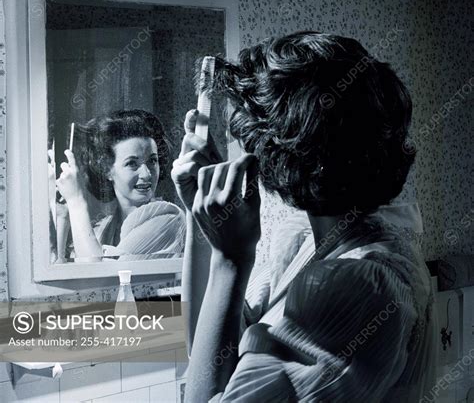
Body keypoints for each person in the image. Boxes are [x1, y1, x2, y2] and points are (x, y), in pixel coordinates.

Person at [171, 32, 437, 402]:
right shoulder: (303, 243)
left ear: (278, 151)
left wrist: (230, 258)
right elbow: (209, 350)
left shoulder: (359, 284)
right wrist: (201, 215)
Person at [53, 109, 185, 261]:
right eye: (132, 163)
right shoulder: (104, 227)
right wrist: (63, 215)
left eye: (152, 161)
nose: (147, 174)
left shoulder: (169, 220)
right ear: (106, 169)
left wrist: (76, 200)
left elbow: (96, 274)